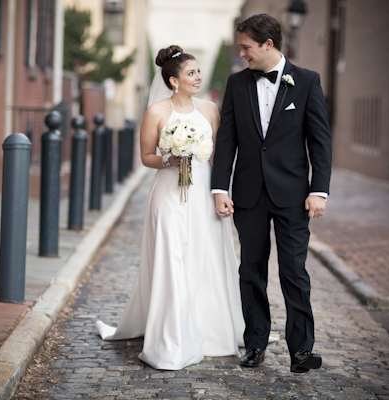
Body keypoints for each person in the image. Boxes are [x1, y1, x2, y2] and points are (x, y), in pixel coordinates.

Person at [96, 45, 247, 370]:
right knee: (172, 258)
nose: (198, 77)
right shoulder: (157, 112)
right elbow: (147, 157)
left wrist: (221, 191)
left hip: (202, 193)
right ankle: (172, 337)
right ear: (173, 80)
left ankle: (208, 329)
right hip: (168, 194)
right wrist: (171, 158)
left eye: (198, 72)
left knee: (203, 256)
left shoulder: (209, 110)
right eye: (191, 73)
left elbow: (219, 156)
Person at [211, 14, 332, 373]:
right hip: (248, 194)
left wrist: (319, 191)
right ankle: (255, 344)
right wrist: (220, 187)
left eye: (246, 47)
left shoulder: (307, 81)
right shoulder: (236, 84)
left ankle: (301, 351)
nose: (241, 53)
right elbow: (227, 139)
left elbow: (320, 142)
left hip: (294, 195)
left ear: (268, 44)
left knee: (294, 272)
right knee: (251, 271)